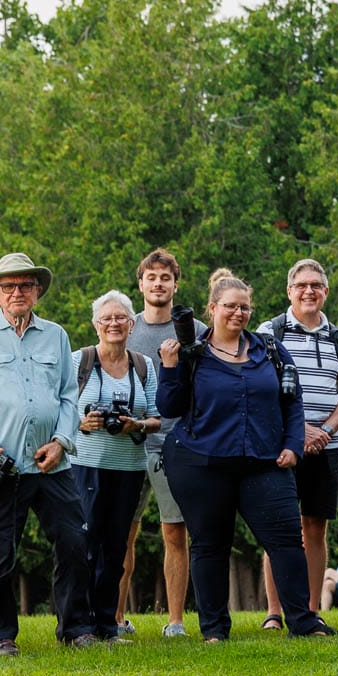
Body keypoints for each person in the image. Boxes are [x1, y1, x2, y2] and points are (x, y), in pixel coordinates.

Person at [156, 269, 338, 641]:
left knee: (286, 541)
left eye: (244, 307)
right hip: (202, 463)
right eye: (230, 306)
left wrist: (292, 446)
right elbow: (169, 407)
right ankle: (214, 630)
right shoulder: (192, 353)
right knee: (210, 545)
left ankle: (303, 622)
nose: (238, 313)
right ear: (212, 309)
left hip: (263, 462)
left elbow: (292, 402)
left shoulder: (269, 349)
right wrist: (170, 368)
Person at [0, 252, 96, 654]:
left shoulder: (56, 335)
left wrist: (62, 441)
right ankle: (0, 636)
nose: (17, 292)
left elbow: (69, 396)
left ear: (37, 291)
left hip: (54, 464)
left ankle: (77, 628)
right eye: (8, 286)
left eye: (25, 285)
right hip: (1, 465)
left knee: (73, 544)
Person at [255, 259, 338, 630]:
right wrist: (300, 431)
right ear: (289, 291)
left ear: (325, 291)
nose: (308, 291)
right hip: (282, 444)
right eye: (301, 285)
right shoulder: (270, 332)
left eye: (316, 285)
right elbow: (261, 390)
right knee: (279, 528)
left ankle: (311, 611)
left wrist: (324, 431)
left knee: (316, 527)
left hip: (326, 447)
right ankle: (275, 612)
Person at [72, 290, 162, 642]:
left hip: (129, 467)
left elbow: (156, 417)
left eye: (120, 317)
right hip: (85, 465)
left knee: (116, 548)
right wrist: (82, 422)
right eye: (106, 318)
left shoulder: (143, 365)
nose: (114, 323)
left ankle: (107, 625)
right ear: (95, 324)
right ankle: (79, 625)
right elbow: (59, 409)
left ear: (132, 323)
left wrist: (135, 425)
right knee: (84, 544)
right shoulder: (79, 361)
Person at [129, 248, 192, 637]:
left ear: (175, 284)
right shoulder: (124, 326)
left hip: (175, 443)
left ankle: (175, 621)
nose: (158, 284)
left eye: (165, 278)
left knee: (174, 532)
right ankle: (116, 620)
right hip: (129, 443)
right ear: (140, 284)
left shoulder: (192, 329)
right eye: (151, 277)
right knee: (124, 533)